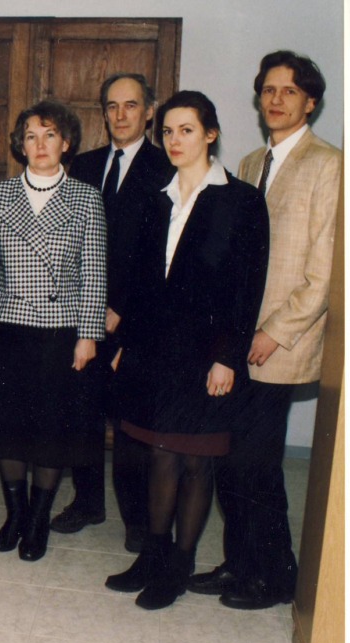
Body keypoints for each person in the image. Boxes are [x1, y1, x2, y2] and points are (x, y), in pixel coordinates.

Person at [187, 51, 340, 610]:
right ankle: (239, 563)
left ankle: (275, 576)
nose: (276, 100)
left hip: (280, 345)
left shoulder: (329, 165)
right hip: (235, 342)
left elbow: (325, 272)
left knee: (256, 464)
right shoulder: (250, 164)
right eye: (269, 90)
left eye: (289, 91)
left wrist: (275, 331)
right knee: (230, 460)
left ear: (310, 102)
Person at [106, 91, 269, 610]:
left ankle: (178, 565)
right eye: (169, 132)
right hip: (153, 351)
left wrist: (228, 357)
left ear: (210, 134)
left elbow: (247, 289)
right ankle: (152, 556)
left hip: (206, 356)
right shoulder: (157, 197)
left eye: (187, 130)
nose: (175, 140)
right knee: (159, 452)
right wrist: (125, 344)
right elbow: (140, 281)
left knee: (195, 460)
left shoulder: (241, 201)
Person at [0, 100, 107, 563]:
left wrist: (88, 334)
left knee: (52, 431)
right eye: (31, 136)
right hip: (7, 328)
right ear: (20, 144)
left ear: (65, 143)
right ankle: (15, 515)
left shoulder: (85, 198)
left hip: (60, 331)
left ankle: (38, 521)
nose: (40, 144)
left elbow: (94, 272)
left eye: (49, 135)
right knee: (10, 429)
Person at [54, 74, 174, 553]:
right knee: (81, 414)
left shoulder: (166, 167)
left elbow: (162, 255)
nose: (121, 115)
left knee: (129, 426)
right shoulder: (82, 165)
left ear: (149, 111)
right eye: (112, 106)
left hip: (136, 320)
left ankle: (137, 518)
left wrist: (121, 310)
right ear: (103, 113)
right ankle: (87, 503)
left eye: (131, 105)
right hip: (82, 316)